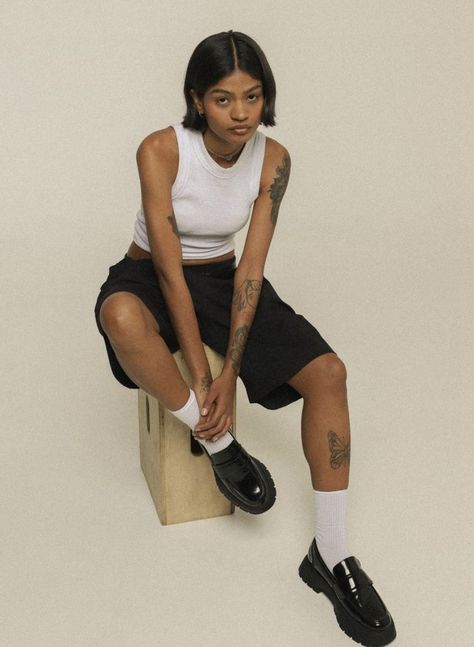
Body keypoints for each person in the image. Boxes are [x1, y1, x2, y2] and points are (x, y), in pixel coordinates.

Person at [94, 30, 396, 646]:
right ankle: (223, 444)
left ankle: (332, 557)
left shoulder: (274, 160)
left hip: (227, 279)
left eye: (253, 97)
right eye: (224, 99)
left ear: (267, 98)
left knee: (330, 373)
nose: (241, 114)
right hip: (154, 273)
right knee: (122, 318)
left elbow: (251, 269)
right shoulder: (161, 150)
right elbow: (171, 272)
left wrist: (231, 370)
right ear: (196, 99)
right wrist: (208, 387)